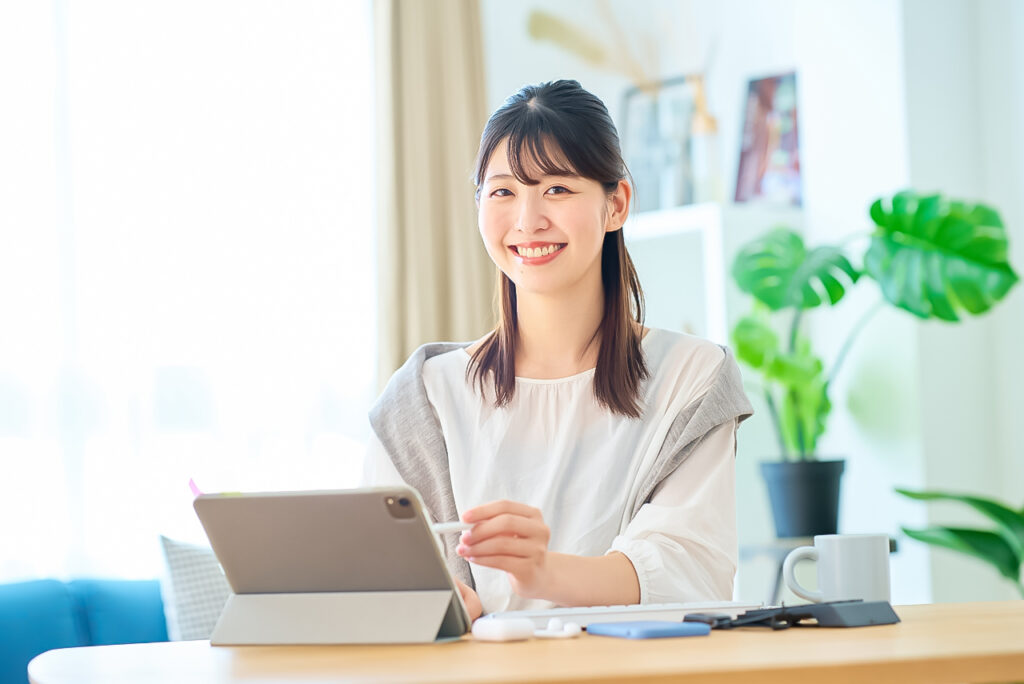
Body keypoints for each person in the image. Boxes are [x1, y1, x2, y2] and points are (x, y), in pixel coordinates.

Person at [364, 80, 752, 621]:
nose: (527, 220)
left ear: (616, 204)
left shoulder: (692, 377)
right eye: (503, 192)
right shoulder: (424, 397)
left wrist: (544, 572)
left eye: (557, 190)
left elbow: (690, 570)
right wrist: (445, 601)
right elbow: (393, 581)